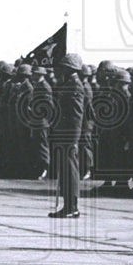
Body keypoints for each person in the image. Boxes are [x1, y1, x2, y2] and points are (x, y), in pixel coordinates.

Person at [49, 53, 85, 218]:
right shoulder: (68, 84)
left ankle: (72, 206)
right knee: (64, 170)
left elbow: (76, 115)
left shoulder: (75, 86)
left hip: (69, 135)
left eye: (63, 67)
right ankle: (68, 205)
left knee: (70, 170)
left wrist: (73, 138)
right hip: (63, 133)